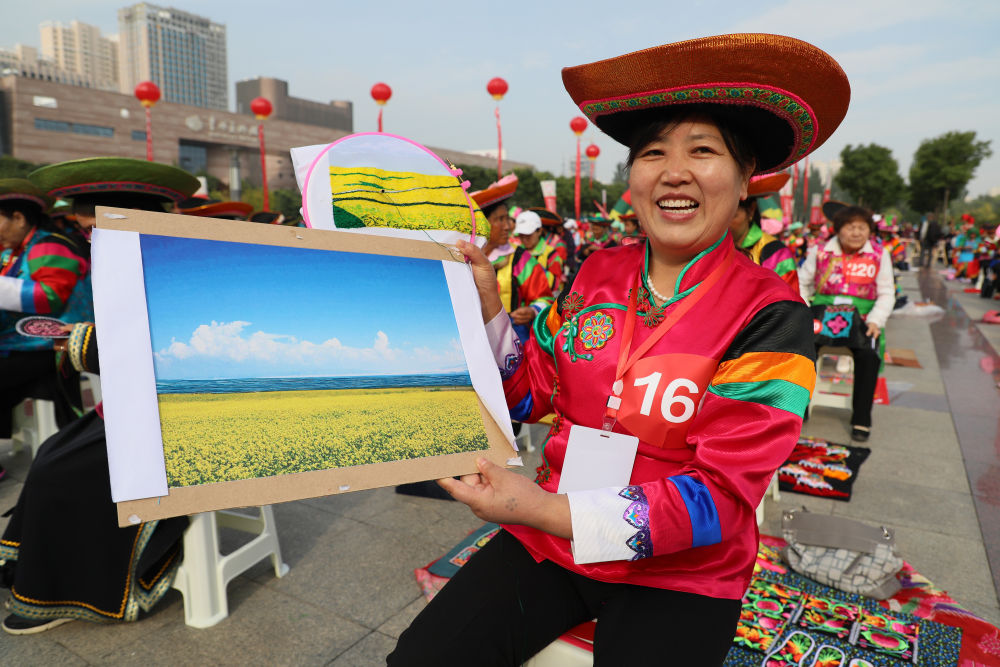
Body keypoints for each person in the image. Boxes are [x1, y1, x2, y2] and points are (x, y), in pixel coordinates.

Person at [389, 33, 848, 665]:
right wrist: (488, 306)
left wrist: (543, 507)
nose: (674, 171)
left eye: (703, 150)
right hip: (551, 544)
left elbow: (721, 497)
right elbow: (528, 394)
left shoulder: (772, 316)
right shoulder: (595, 272)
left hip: (682, 571)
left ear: (746, 179)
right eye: (653, 152)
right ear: (632, 179)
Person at [0, 157, 199, 634]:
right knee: (52, 454)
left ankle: (61, 588)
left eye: (93, 226)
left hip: (178, 415)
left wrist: (84, 343)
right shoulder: (129, 260)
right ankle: (34, 564)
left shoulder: (179, 263)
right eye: (83, 227)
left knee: (59, 471)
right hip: (137, 406)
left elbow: (176, 351)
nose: (87, 237)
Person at [0, 178, 92, 476]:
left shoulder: (49, 245)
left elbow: (49, 298)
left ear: (18, 218)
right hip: (22, 346)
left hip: (50, 346)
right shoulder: (14, 251)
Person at [798, 205, 894, 442]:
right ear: (838, 229)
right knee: (800, 349)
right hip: (822, 315)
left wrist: (876, 320)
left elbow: (887, 292)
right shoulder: (820, 251)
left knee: (869, 355)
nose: (856, 233)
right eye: (850, 227)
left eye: (862, 228)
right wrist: (803, 312)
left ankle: (861, 418)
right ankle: (798, 406)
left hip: (861, 319)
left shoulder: (879, 254)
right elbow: (800, 283)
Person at [729, 172, 799, 292]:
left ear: (751, 210)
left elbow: (788, 299)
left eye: (731, 215)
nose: (723, 223)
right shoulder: (708, 250)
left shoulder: (775, 253)